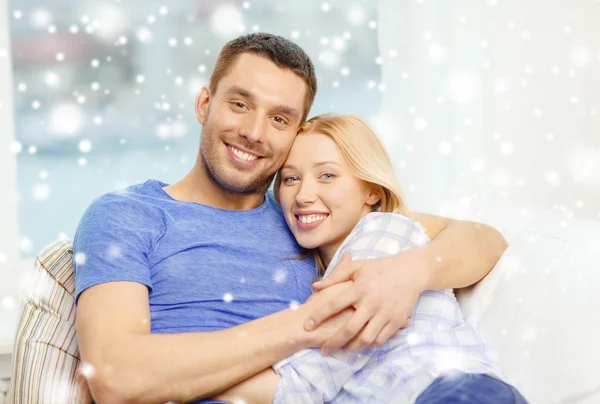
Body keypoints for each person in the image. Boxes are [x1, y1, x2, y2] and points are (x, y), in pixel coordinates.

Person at [73, 33, 508, 403]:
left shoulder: (308, 219)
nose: (255, 132)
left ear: (295, 131)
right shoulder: (128, 215)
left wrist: (410, 273)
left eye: (279, 118)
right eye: (240, 104)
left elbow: (481, 239)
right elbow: (114, 377)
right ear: (205, 103)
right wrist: (315, 320)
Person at [257, 114, 524, 402]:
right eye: (291, 178)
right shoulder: (317, 268)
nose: (303, 195)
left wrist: (204, 375)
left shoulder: (384, 230)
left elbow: (305, 382)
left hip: (448, 392)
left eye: (327, 175)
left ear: (371, 191)